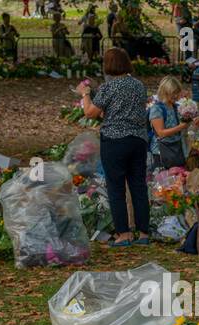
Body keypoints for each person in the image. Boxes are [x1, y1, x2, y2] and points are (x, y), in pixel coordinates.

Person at [79, 47, 150, 247]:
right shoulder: (138, 85)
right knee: (138, 186)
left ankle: (123, 234)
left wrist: (85, 94)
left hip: (115, 140)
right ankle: (144, 233)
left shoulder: (109, 87)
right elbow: (129, 111)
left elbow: (90, 113)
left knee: (116, 187)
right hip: (138, 140)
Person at [148, 75, 189, 169]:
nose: (176, 96)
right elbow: (161, 133)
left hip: (177, 148)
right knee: (164, 180)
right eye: (173, 93)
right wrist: (181, 127)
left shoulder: (176, 106)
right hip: (162, 151)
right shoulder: (157, 109)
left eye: (177, 92)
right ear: (164, 92)